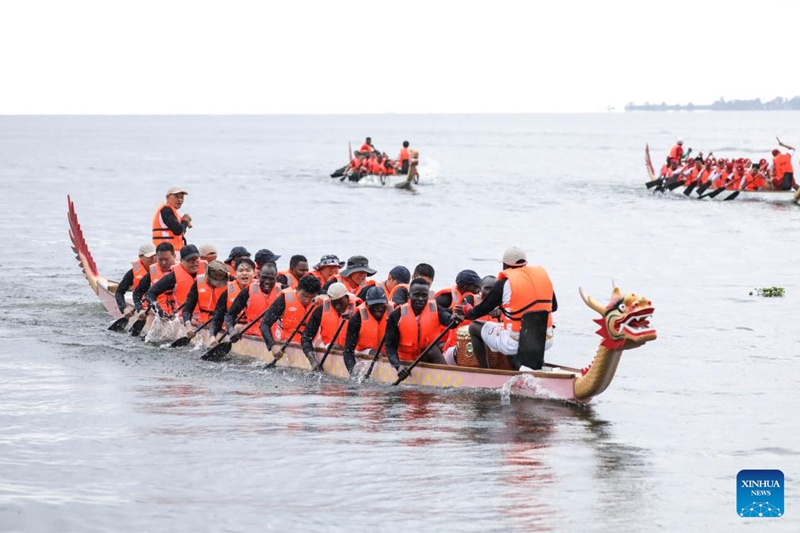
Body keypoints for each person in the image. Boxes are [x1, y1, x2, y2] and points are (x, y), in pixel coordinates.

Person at [457, 247, 557, 371]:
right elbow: (554, 307)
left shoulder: (503, 284)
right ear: (525, 263)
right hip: (545, 340)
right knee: (524, 329)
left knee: (474, 327)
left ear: (505, 265)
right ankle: (538, 367)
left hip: (514, 342)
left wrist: (467, 310)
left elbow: (475, 313)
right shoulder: (542, 278)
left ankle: (485, 373)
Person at [385, 278, 458, 379]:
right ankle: (448, 378)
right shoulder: (396, 315)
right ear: (409, 296)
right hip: (405, 360)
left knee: (433, 349)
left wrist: (456, 318)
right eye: (416, 295)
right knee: (432, 349)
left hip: (426, 356)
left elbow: (451, 322)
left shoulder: (435, 308)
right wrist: (398, 366)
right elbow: (390, 347)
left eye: (424, 295)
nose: (420, 299)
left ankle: (448, 377)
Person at [260, 274, 322, 361]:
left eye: (311, 297)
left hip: (310, 344)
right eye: (304, 295)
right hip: (285, 342)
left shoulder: (320, 301)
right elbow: (264, 324)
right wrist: (273, 346)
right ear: (297, 289)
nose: (307, 300)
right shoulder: (283, 300)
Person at [300, 282, 357, 367]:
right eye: (334, 303)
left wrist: (353, 319)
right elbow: (306, 338)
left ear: (347, 297)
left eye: (340, 302)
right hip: (328, 346)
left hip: (353, 350)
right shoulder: (320, 310)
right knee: (333, 346)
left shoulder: (358, 311)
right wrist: (313, 361)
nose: (337, 306)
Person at [144, 244, 205, 317]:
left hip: (208, 320)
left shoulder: (208, 271)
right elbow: (149, 294)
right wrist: (160, 312)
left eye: (196, 259)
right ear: (181, 261)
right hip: (185, 320)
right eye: (190, 261)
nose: (194, 263)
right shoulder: (173, 277)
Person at [227, 263, 282, 342]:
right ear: (259, 276)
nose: (267, 282)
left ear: (276, 278)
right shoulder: (247, 291)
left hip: (275, 334)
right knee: (237, 327)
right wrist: (231, 330)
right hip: (252, 332)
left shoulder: (282, 292)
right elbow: (230, 315)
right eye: (264, 278)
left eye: (271, 279)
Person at [341, 286, 389, 375]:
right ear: (366, 304)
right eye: (374, 305)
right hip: (363, 351)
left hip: (388, 354)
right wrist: (353, 374)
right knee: (373, 352)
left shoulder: (394, 315)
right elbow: (348, 352)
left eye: (381, 305)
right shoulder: (357, 318)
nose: (378, 308)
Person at [208, 257, 256, 344]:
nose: (244, 273)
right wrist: (212, 336)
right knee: (238, 327)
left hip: (255, 329)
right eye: (241, 271)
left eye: (248, 270)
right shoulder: (227, 292)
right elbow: (217, 317)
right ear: (235, 274)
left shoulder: (261, 290)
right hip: (233, 329)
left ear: (254, 273)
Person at [180, 260, 228, 334]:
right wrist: (188, 324)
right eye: (213, 281)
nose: (215, 284)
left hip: (224, 324)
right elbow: (187, 309)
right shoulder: (198, 283)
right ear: (207, 275)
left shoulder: (231, 283)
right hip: (203, 323)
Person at [132, 242, 177, 314]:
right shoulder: (152, 273)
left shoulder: (183, 270)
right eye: (160, 260)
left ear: (174, 256)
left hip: (180, 314)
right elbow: (137, 293)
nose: (164, 263)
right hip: (160, 314)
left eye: (166, 259)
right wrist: (140, 309)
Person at [115, 243, 157, 317]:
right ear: (140, 257)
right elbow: (119, 292)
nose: (153, 259)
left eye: (155, 256)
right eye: (150, 256)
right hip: (141, 306)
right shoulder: (133, 273)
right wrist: (124, 308)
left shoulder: (163, 269)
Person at [152, 186, 191, 251]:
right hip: (166, 251)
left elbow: (180, 231)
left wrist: (184, 224)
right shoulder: (166, 210)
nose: (180, 200)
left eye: (182, 197)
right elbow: (178, 230)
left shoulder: (173, 212)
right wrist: (185, 221)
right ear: (167, 197)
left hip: (172, 251)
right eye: (176, 196)